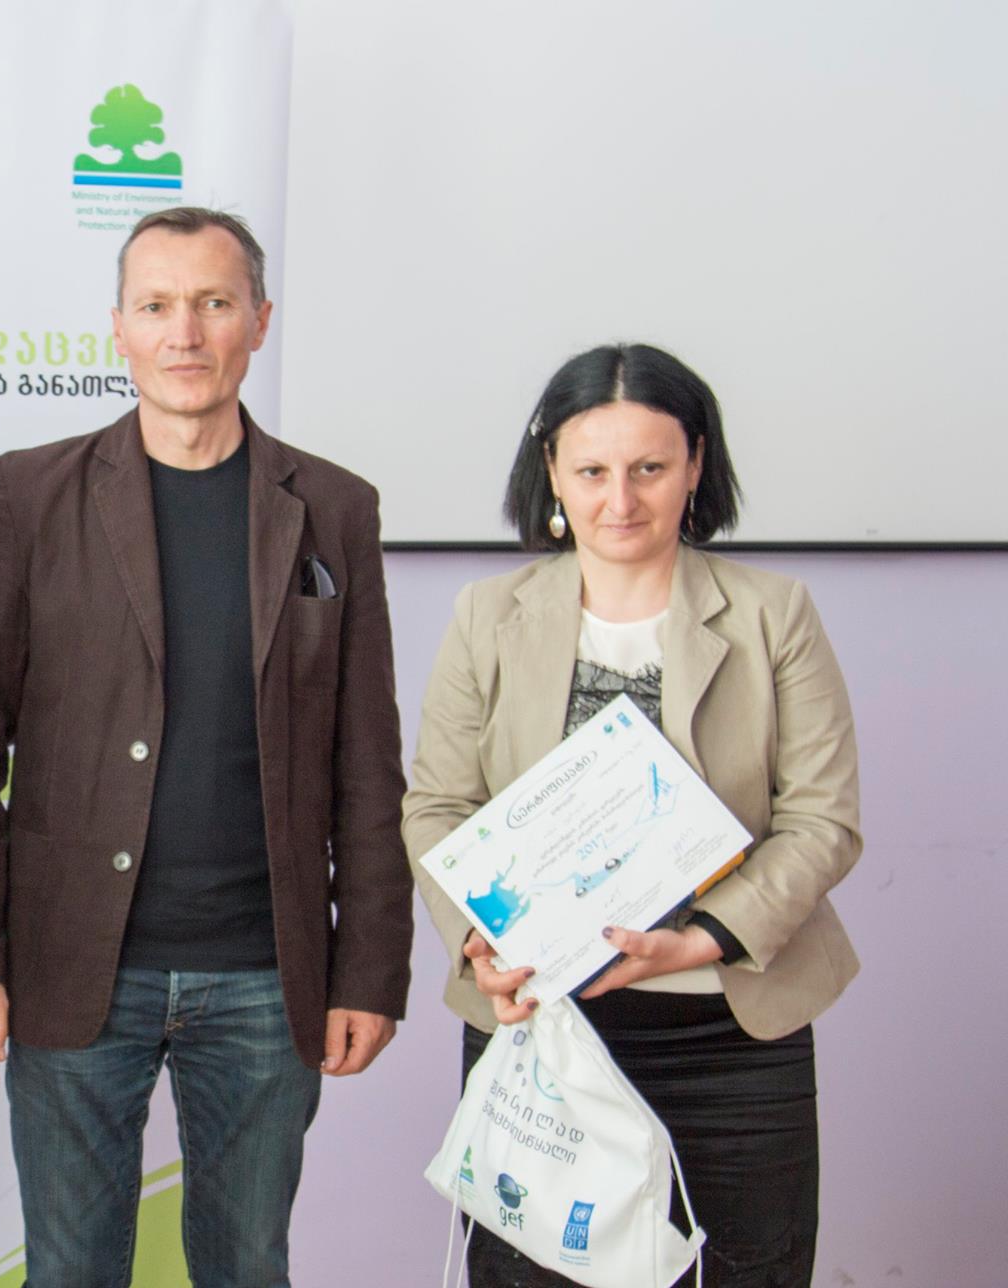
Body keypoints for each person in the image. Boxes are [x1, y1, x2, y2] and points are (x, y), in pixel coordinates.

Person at [0, 207, 415, 1288]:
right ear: (118, 327)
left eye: (212, 303)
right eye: (155, 305)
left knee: (247, 1268)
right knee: (69, 1272)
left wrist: (372, 967)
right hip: (71, 964)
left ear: (259, 321)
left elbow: (368, 766)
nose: (183, 332)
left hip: (266, 974)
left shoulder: (333, 508)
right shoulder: (31, 495)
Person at [402, 343, 861, 1285]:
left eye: (650, 468)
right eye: (592, 471)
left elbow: (823, 820)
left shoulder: (775, 613)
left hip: (733, 1032)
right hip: (540, 1024)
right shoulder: (488, 615)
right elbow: (438, 807)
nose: (621, 500)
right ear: (551, 473)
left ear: (696, 465)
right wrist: (479, 943)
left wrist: (699, 941)